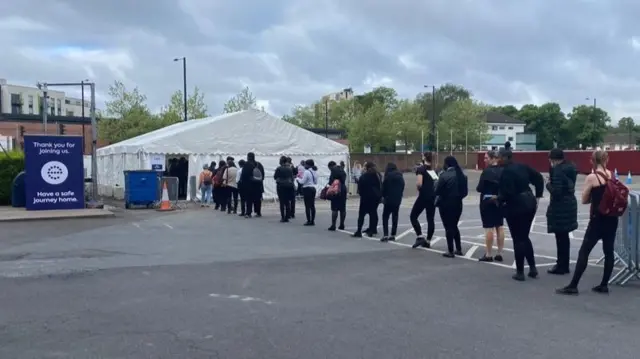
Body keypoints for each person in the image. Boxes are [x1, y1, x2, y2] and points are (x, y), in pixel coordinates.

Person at [556, 150, 619, 295]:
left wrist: (594, 197)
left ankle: (573, 285)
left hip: (597, 219)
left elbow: (584, 199)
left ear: (592, 160)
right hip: (612, 218)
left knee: (584, 251)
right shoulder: (612, 175)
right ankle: (604, 284)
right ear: (606, 160)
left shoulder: (592, 177)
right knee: (609, 251)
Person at [497, 149, 544, 281]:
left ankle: (520, 271)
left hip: (516, 205)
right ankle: (533, 268)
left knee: (518, 238)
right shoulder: (522, 166)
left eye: (499, 157)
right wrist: (538, 195)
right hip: (530, 201)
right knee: (524, 236)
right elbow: (539, 178)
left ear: (505, 158)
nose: (498, 160)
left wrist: (498, 200)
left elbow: (507, 192)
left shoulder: (506, 172)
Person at [545, 148, 578, 275]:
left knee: (560, 237)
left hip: (560, 207)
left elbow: (557, 192)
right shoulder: (571, 169)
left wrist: (548, 184)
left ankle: (561, 265)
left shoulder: (558, 171)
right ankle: (564, 264)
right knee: (564, 237)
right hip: (569, 204)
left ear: (553, 159)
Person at [436, 156, 468, 257]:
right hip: (458, 203)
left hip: (446, 203)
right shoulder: (462, 175)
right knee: (454, 226)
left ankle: (450, 250)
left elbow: (437, 190)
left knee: (448, 227)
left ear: (446, 164)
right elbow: (465, 192)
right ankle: (458, 248)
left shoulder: (444, 175)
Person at [476, 150, 505, 262]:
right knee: (500, 226)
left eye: (486, 158)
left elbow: (479, 188)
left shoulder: (486, 172)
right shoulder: (503, 171)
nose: (484, 160)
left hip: (487, 201)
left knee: (489, 227)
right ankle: (500, 252)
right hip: (499, 200)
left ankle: (488, 254)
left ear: (493, 158)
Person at [410, 152, 438, 249]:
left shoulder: (420, 169)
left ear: (424, 158)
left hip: (423, 196)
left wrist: (418, 187)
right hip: (432, 197)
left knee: (413, 216)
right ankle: (428, 240)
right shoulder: (434, 170)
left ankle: (420, 236)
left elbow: (419, 183)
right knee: (430, 219)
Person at [353, 162, 382, 238]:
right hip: (375, 198)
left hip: (365, 198)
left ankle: (359, 231)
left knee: (361, 215)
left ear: (367, 168)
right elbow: (380, 185)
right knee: (373, 214)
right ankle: (372, 229)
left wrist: (361, 193)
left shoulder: (364, 176)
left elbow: (360, 188)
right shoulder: (378, 175)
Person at [381, 162, 405, 242]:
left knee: (385, 216)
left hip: (388, 199)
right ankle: (393, 234)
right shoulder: (400, 176)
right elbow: (402, 186)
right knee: (395, 216)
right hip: (397, 199)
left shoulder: (388, 177)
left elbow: (383, 188)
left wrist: (383, 196)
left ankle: (385, 234)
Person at [239, 152, 265, 218]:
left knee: (249, 199)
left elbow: (244, 175)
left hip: (249, 185)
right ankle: (258, 212)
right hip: (258, 185)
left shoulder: (246, 164)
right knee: (258, 199)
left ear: (248, 157)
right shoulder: (259, 164)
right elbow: (262, 175)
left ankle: (249, 213)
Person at [327, 161, 348, 231]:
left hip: (336, 188)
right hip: (343, 188)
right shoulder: (342, 169)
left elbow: (331, 181)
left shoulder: (333, 170)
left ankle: (333, 225)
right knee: (343, 208)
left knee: (334, 208)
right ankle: (342, 224)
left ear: (331, 166)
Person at [297, 159, 318, 226]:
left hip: (307, 189)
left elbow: (302, 181)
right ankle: (313, 220)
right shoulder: (314, 171)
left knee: (307, 206)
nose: (305, 166)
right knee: (312, 205)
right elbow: (315, 182)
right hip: (313, 188)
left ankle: (308, 220)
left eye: (306, 164)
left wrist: (297, 179)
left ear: (308, 165)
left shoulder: (306, 172)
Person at [274, 156, 295, 222]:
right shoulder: (289, 168)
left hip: (281, 186)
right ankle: (287, 216)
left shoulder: (279, 168)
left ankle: (283, 216)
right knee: (287, 202)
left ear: (281, 161)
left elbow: (275, 177)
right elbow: (292, 177)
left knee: (282, 202)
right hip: (288, 186)